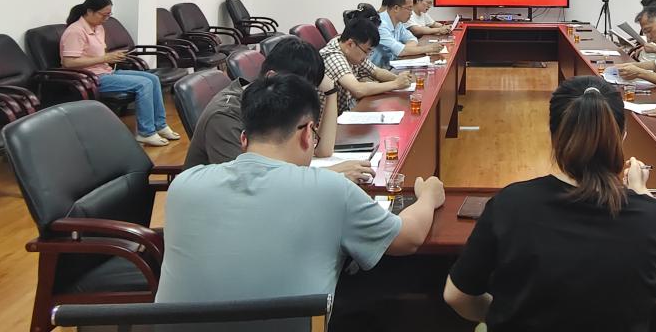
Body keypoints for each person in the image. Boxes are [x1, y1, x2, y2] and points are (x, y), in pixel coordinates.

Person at [157, 73, 446, 303]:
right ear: (308, 133)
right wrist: (428, 197)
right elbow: (409, 238)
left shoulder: (183, 186)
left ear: (243, 139)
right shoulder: (330, 190)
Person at [444, 76, 656, 331]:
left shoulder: (511, 204)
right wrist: (641, 193)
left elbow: (456, 296)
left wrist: (503, 313)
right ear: (622, 136)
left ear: (553, 136)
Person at [184, 37, 371, 183]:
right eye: (298, 90)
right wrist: (331, 174)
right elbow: (250, 185)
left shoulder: (278, 108)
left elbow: (322, 151)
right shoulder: (225, 117)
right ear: (272, 77)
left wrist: (330, 92)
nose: (302, 102)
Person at [60, 0, 179, 147]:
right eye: (103, 15)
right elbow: (68, 62)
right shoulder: (75, 31)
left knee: (153, 79)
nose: (106, 19)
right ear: (89, 11)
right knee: (144, 84)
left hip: (105, 71)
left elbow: (97, 55)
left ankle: (160, 125)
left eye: (109, 15)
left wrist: (111, 57)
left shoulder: (98, 28)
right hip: (90, 79)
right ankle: (146, 133)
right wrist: (105, 58)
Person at [321, 16, 413, 114]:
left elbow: (376, 72)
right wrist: (396, 84)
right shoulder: (333, 57)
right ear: (350, 44)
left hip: (345, 111)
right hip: (326, 120)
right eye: (366, 51)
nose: (367, 56)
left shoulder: (349, 47)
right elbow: (358, 90)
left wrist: (399, 79)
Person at [372, 0, 442, 69]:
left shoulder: (398, 23)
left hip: (392, 66)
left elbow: (412, 39)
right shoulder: (380, 24)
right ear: (396, 8)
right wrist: (428, 48)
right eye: (409, 9)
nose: (411, 13)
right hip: (376, 71)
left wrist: (406, 49)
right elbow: (400, 51)